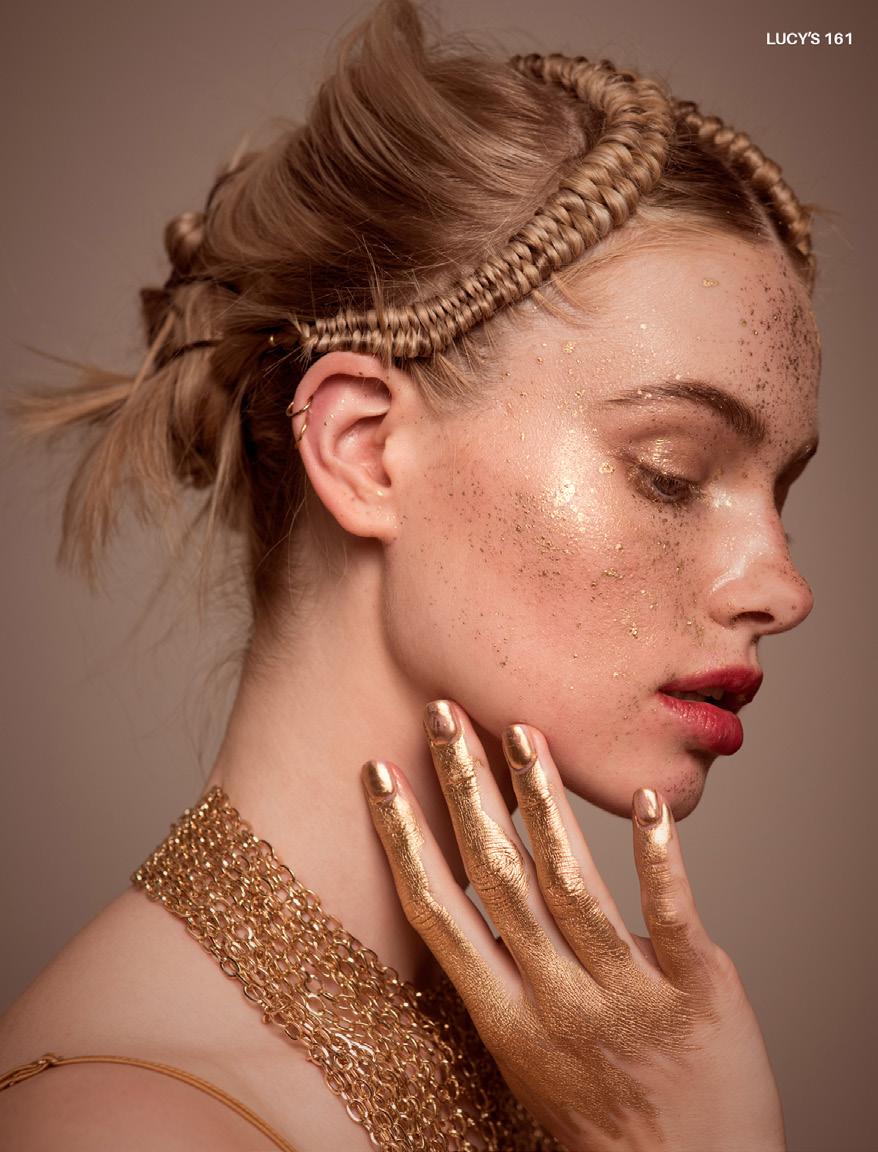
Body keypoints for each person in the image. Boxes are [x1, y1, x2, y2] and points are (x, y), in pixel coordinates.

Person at [0, 0, 821, 1147]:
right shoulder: (123, 1124)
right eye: (671, 473)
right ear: (363, 449)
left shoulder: (593, 1076)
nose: (781, 588)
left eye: (780, 493)